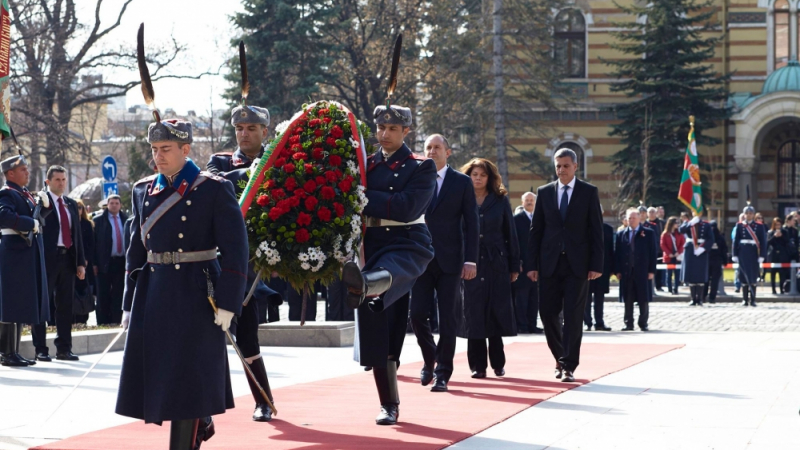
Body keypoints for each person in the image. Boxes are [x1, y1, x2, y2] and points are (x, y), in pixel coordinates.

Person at [116, 118, 248, 449]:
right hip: (156, 293)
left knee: (190, 380)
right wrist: (128, 304)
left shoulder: (213, 189)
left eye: (165, 149)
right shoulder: (143, 190)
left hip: (197, 293)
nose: (157, 157)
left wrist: (229, 304)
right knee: (167, 376)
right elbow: (136, 253)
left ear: (185, 149)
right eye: (154, 149)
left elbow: (236, 251)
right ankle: (201, 417)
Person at [341, 104, 436, 426]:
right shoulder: (365, 165)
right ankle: (389, 403)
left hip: (407, 240)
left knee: (389, 272)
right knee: (380, 324)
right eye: (381, 128)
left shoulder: (421, 166)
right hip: (372, 243)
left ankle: (366, 284)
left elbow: (408, 207)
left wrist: (362, 194)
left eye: (393, 129)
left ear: (407, 131)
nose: (385, 134)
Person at [206, 103, 281, 422]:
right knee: (208, 338)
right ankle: (203, 408)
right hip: (217, 262)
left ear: (265, 132)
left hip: (250, 265)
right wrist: (251, 174)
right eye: (239, 129)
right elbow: (212, 187)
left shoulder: (278, 163)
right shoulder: (221, 162)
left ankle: (262, 399)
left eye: (251, 129)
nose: (244, 134)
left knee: (248, 335)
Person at [527, 148, 603, 383]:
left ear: (575, 166)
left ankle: (569, 364)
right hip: (549, 264)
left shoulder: (588, 192)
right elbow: (536, 231)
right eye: (558, 165)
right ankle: (560, 357)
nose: (561, 170)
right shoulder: (544, 192)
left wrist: (596, 264)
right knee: (548, 313)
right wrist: (531, 264)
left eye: (566, 166)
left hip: (577, 265)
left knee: (573, 315)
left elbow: (596, 231)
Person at [411, 134, 479, 392]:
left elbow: (472, 223)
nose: (432, 151)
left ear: (448, 152)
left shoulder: (461, 182)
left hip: (451, 261)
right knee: (417, 314)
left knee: (448, 318)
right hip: (420, 259)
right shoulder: (416, 179)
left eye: (437, 147)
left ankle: (443, 373)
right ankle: (430, 358)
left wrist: (471, 260)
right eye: (428, 147)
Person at [457, 158, 518, 379]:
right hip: (470, 263)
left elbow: (510, 233)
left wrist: (513, 265)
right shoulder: (461, 198)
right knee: (473, 314)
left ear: (489, 178)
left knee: (495, 312)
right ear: (468, 176)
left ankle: (498, 363)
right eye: (474, 174)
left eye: (482, 175)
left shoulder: (500, 200)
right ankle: (477, 366)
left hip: (496, 263)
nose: (478, 178)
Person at [0, 155, 50, 367]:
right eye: (22, 170)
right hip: (13, 254)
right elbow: (4, 217)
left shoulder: (24, 194)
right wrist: (30, 223)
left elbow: (40, 219)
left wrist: (45, 207)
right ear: (10, 173)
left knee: (19, 304)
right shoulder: (6, 193)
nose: (27, 172)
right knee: (10, 304)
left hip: (25, 253)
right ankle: (6, 353)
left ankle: (14, 351)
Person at [31, 166, 85, 362]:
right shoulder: (41, 203)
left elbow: (77, 235)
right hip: (47, 260)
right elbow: (34, 224)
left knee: (65, 305)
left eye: (63, 179)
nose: (61, 183)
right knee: (43, 305)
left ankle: (64, 348)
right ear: (48, 182)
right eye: (57, 180)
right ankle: (40, 349)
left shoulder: (70, 204)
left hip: (67, 259)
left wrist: (80, 263)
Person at [615, 208, 656, 331]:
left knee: (643, 298)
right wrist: (617, 270)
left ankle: (643, 323)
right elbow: (617, 253)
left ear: (639, 218)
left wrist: (651, 271)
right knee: (628, 298)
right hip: (627, 271)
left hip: (642, 271)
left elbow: (653, 253)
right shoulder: (621, 234)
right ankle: (628, 323)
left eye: (634, 218)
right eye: (629, 218)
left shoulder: (648, 233)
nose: (631, 220)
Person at [92, 194, 128, 325]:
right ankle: (103, 322)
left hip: (121, 262)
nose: (114, 205)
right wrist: (94, 263)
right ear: (107, 205)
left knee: (119, 293)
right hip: (104, 262)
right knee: (103, 294)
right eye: (111, 203)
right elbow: (94, 244)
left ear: (120, 205)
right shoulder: (98, 220)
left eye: (116, 203)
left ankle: (117, 320)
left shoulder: (126, 220)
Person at [513, 192, 543, 334]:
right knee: (522, 297)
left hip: (537, 265)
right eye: (527, 200)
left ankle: (532, 324)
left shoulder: (540, 218)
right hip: (523, 265)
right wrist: (517, 262)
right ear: (522, 202)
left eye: (532, 200)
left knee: (534, 298)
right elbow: (514, 242)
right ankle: (522, 324)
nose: (530, 202)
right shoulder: (517, 219)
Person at [585, 205, 614, 331]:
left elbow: (611, 251)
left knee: (599, 297)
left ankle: (599, 322)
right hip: (585, 269)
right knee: (586, 298)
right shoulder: (583, 228)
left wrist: (612, 268)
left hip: (602, 268)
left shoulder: (607, 229)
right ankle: (587, 322)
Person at [733, 206, 767, 307]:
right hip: (743, 252)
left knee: (752, 276)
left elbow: (763, 242)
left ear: (753, 214)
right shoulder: (739, 226)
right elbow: (735, 241)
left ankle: (753, 299)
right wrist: (734, 254)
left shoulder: (759, 226)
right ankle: (744, 299)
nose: (749, 215)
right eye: (747, 213)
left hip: (753, 252)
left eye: (751, 213)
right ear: (744, 214)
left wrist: (762, 255)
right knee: (743, 276)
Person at [679, 210, 712, 306]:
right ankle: (693, 298)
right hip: (690, 249)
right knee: (691, 275)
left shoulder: (706, 225)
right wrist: (690, 223)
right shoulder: (688, 223)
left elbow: (710, 239)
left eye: (698, 212)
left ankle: (700, 299)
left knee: (700, 275)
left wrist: (703, 248)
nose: (697, 213)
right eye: (694, 212)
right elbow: (681, 230)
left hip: (701, 250)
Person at [73, 200, 95, 325]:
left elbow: (91, 245)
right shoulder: (69, 223)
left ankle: (83, 317)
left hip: (85, 264)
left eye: (80, 207)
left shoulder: (87, 224)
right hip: (71, 263)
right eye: (76, 207)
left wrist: (85, 260)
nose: (78, 210)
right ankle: (74, 318)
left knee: (85, 291)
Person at [704, 221, 728, 303]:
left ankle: (709, 297)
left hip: (713, 261)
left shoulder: (715, 237)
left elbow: (724, 250)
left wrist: (724, 260)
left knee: (712, 280)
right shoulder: (716, 237)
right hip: (711, 260)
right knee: (708, 280)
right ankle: (707, 297)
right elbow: (724, 250)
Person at [660, 216, 685, 295]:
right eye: (676, 223)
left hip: (677, 256)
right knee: (669, 273)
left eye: (678, 223)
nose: (678, 225)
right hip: (669, 257)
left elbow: (683, 243)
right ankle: (670, 288)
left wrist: (679, 252)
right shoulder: (665, 234)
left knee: (677, 273)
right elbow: (662, 244)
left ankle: (676, 288)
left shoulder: (679, 233)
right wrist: (669, 253)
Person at [767, 217, 789, 294]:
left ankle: (781, 289)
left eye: (779, 225)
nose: (778, 226)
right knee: (773, 273)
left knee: (781, 274)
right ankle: (773, 289)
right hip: (774, 255)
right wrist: (774, 236)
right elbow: (768, 242)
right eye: (776, 225)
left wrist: (781, 236)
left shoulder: (785, 232)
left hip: (782, 255)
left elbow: (787, 242)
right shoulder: (770, 232)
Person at [645, 207, 665, 292]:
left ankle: (659, 285)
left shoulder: (660, 223)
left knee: (659, 269)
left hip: (659, 249)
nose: (652, 214)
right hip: (647, 250)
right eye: (650, 212)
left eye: (653, 212)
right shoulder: (645, 223)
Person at [732, 213, 746, 293]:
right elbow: (734, 238)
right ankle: (737, 285)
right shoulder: (737, 227)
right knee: (738, 270)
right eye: (742, 218)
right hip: (739, 251)